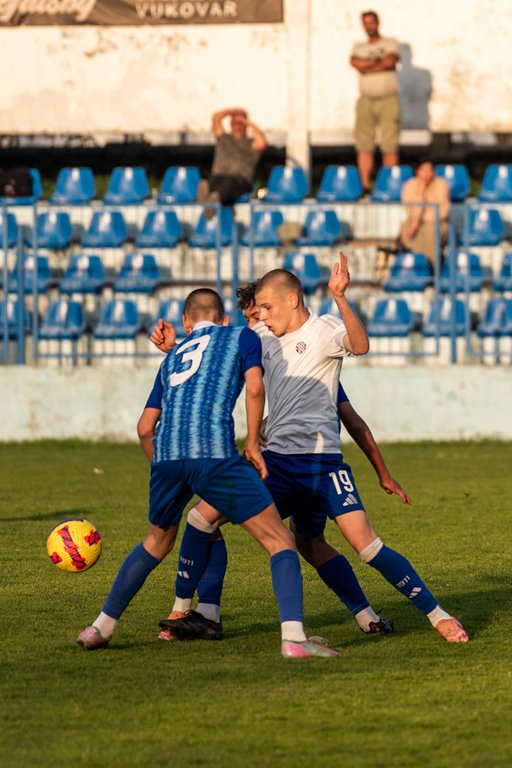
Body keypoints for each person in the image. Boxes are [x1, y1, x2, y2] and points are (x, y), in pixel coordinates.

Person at [154, 258, 469, 644]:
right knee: (205, 519)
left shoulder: (325, 331)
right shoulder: (261, 338)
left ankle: (438, 616)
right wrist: (174, 349)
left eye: (265, 308)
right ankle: (205, 615)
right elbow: (212, 359)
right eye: (256, 311)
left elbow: (360, 347)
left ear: (291, 300)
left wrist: (340, 297)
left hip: (323, 466)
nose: (260, 317)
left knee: (366, 546)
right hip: (277, 465)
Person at [76, 288, 340, 658]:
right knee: (280, 539)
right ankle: (294, 641)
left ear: (186, 322)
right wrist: (252, 443)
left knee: (156, 542)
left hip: (167, 455)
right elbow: (254, 386)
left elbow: (144, 428)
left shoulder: (173, 357)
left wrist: (168, 467)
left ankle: (100, 627)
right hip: (213, 453)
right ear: (224, 319)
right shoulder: (242, 336)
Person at [350, 10, 401, 193]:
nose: (369, 26)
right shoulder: (358, 46)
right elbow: (355, 62)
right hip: (366, 99)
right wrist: (379, 63)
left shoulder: (390, 43)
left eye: (371, 22)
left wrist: (367, 66)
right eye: (366, 23)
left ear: (378, 23)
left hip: (388, 99)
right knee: (364, 144)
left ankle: (389, 185)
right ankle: (365, 186)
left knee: (389, 143)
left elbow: (390, 61)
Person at [202, 107, 267, 210]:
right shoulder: (223, 138)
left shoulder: (251, 144)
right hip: (218, 177)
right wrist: (231, 112)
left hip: (240, 180)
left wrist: (247, 122)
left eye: (240, 123)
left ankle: (212, 201)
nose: (237, 125)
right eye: (235, 122)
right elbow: (216, 118)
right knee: (208, 183)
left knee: (228, 185)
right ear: (231, 124)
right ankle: (211, 199)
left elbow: (262, 143)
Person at [400, 158, 451, 266]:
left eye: (429, 170)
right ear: (417, 172)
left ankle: (430, 265)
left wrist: (420, 220)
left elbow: (442, 211)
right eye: (423, 170)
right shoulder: (409, 185)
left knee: (428, 230)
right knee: (406, 229)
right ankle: (416, 263)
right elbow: (409, 209)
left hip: (438, 222)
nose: (426, 174)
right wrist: (421, 191)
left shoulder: (441, 185)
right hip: (414, 221)